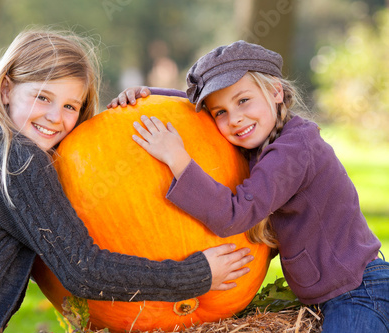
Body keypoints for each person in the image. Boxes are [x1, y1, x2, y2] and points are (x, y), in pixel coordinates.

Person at [0, 30, 255, 333]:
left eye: (70, 106)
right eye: (42, 96)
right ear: (4, 90)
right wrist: (196, 275)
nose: (55, 117)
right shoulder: (17, 160)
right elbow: (84, 271)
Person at [108, 40, 389, 332]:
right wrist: (148, 95)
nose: (235, 118)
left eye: (243, 101)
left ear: (275, 91)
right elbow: (192, 110)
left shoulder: (294, 149)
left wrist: (177, 158)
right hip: (332, 293)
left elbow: (235, 215)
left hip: (358, 291)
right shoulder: (265, 137)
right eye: (221, 112)